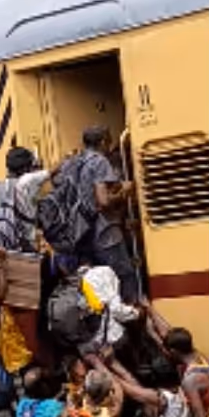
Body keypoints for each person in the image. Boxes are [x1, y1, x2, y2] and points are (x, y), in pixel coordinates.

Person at [73, 125, 139, 303]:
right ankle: (131, 321)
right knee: (124, 277)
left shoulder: (77, 161)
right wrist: (124, 191)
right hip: (105, 233)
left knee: (101, 284)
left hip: (85, 233)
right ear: (103, 142)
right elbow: (103, 201)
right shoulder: (99, 161)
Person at [0, 147, 59, 253]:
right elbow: (54, 169)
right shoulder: (27, 181)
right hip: (24, 242)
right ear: (26, 167)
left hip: (4, 239)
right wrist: (69, 157)